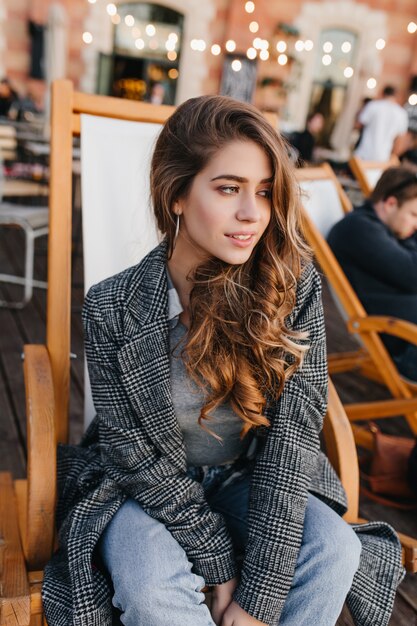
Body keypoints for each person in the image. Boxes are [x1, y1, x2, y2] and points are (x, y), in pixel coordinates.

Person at [42, 96, 403, 626]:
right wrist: (215, 557)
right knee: (149, 587)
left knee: (335, 551)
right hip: (142, 485)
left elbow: (293, 440)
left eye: (264, 192)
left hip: (247, 471)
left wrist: (257, 600)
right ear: (177, 195)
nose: (251, 214)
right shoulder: (112, 305)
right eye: (228, 188)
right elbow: (130, 453)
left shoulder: (291, 286)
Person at [328, 167, 417, 381]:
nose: (415, 224)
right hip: (405, 344)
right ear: (390, 203)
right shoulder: (358, 229)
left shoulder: (387, 230)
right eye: (414, 215)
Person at [354, 85, 408, 162]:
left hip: (364, 152)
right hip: (383, 156)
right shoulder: (402, 114)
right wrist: (393, 156)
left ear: (382, 93)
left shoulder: (373, 105)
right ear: (396, 96)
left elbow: (358, 125)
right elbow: (400, 140)